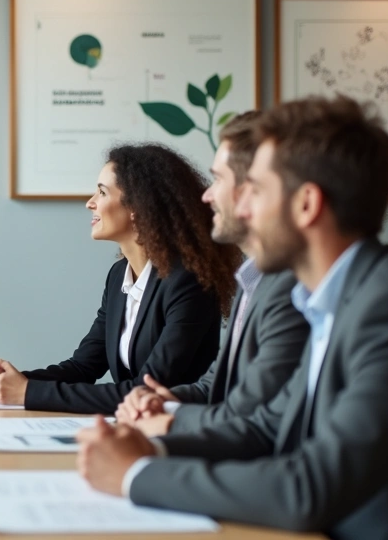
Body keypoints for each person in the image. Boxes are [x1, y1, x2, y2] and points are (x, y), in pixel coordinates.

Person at [78, 96, 388, 539]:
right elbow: (269, 428)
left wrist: (135, 476)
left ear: (306, 205)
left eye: (256, 192)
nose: (239, 209)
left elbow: (308, 489)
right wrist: (151, 446)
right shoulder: (339, 299)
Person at [0, 144, 240, 414]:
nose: (90, 202)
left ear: (138, 206)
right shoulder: (118, 276)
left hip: (175, 430)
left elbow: (146, 389)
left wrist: (27, 393)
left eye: (102, 192)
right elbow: (84, 367)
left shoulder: (187, 281)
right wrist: (16, 380)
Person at [115, 111, 309, 436]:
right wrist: (168, 400)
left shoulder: (292, 289)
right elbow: (219, 382)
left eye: (218, 179)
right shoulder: (255, 280)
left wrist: (168, 424)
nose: (206, 196)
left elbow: (253, 416)